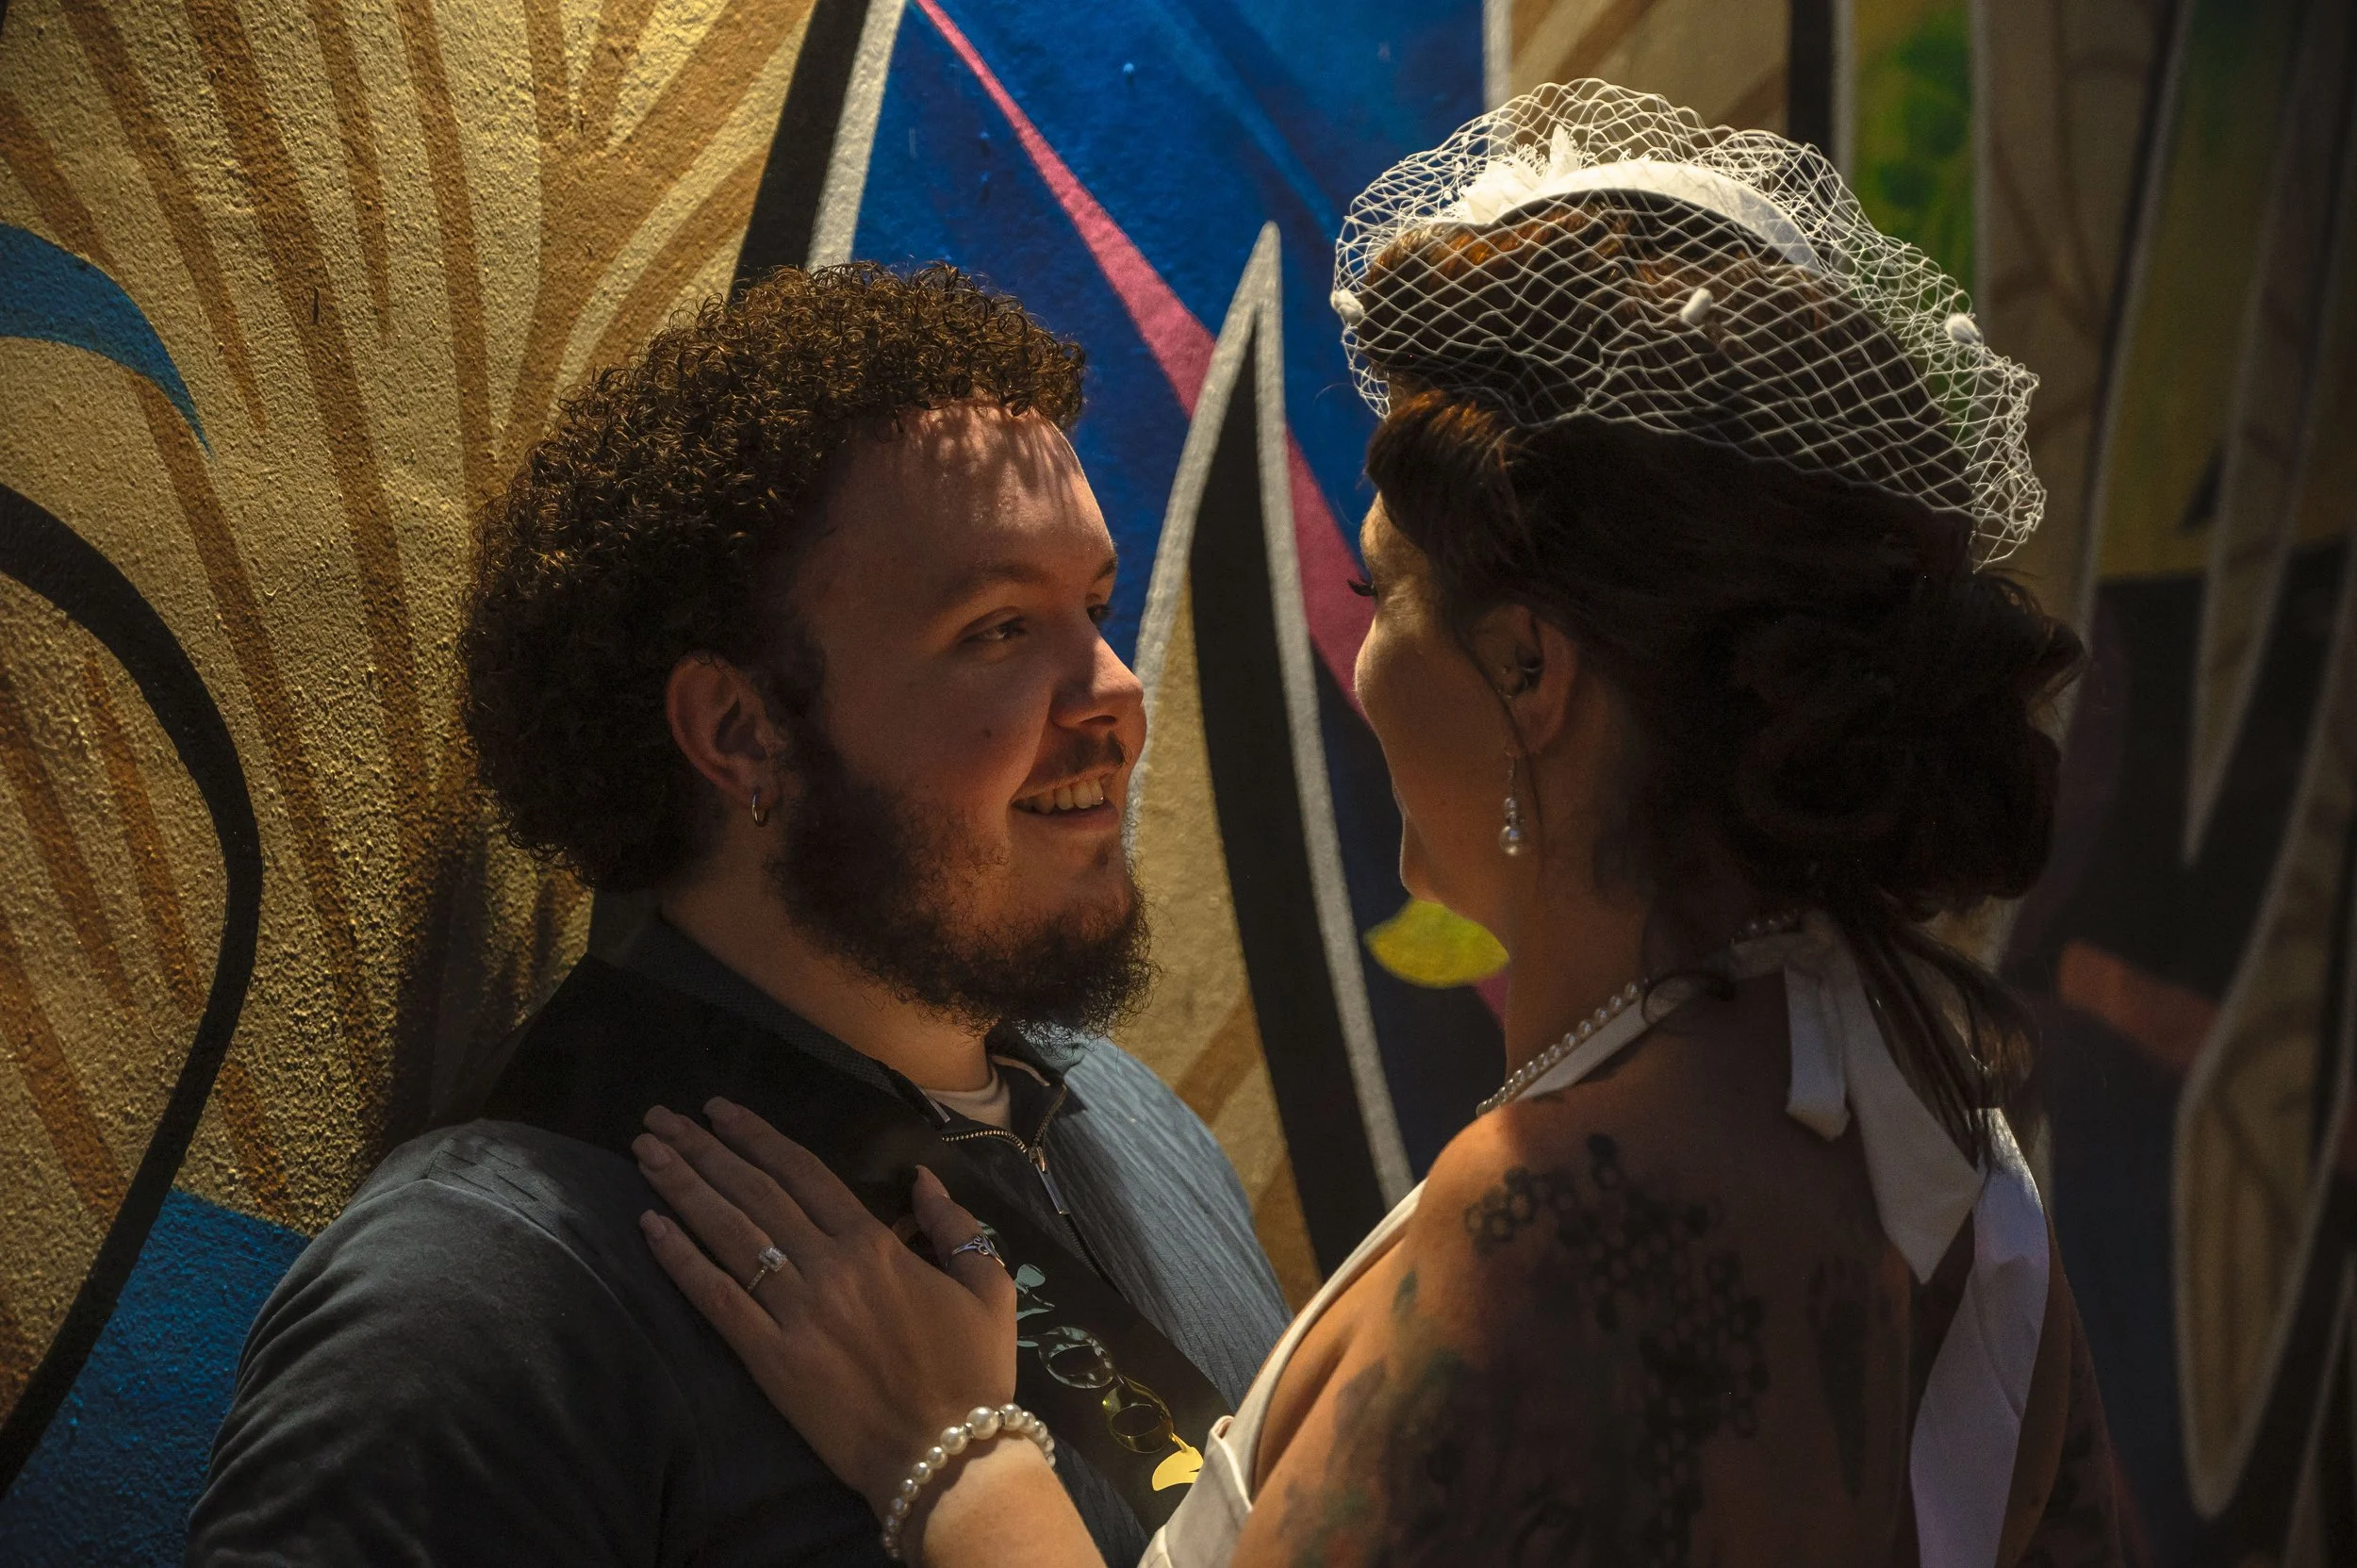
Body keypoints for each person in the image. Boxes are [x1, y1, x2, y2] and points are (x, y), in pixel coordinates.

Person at [624, 83, 2128, 1568]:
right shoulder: (1931, 1133)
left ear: (1529, 671)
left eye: (1382, 590)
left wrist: (954, 1460)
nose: (1357, 660)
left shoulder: (1554, 1227)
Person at [187, 263, 1292, 1567]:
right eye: (998, 628)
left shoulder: (1137, 1125)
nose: (1114, 693)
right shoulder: (482, 1290)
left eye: (1092, 608)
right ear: (740, 730)